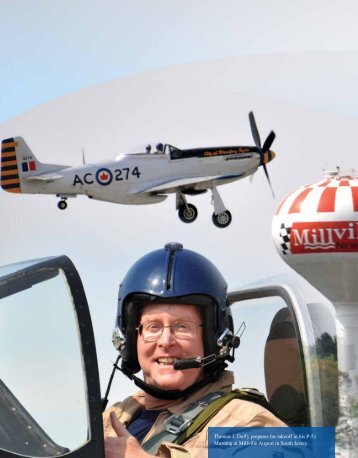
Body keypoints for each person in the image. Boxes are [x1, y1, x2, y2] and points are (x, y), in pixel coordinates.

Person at [103, 243, 286, 458]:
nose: (165, 341)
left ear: (213, 339)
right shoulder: (109, 420)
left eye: (182, 327)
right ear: (131, 338)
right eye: (153, 327)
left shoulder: (248, 423)